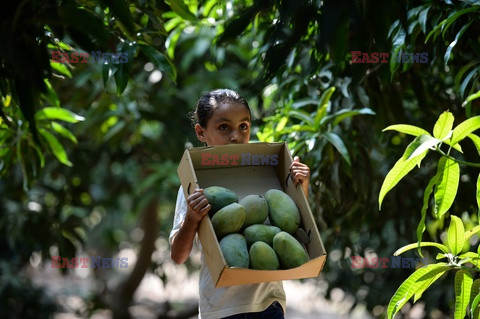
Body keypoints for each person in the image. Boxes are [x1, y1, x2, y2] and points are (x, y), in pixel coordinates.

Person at [169, 89, 311, 318]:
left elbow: (295, 227)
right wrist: (192, 219)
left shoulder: (264, 170)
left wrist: (300, 185)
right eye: (224, 127)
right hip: (221, 308)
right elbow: (178, 256)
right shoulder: (195, 186)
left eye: (243, 126)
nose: (236, 136)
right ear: (200, 132)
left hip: (268, 305)